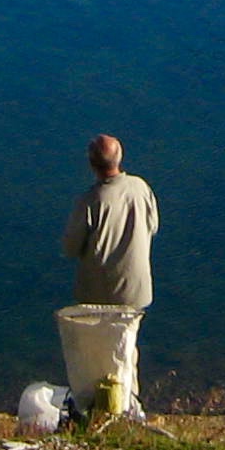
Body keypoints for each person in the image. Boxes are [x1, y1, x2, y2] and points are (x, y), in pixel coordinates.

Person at [60, 134, 158, 407]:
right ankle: (128, 400)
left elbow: (70, 248)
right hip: (135, 289)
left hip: (97, 293)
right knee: (126, 347)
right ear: (120, 158)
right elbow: (153, 226)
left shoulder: (90, 200)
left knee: (97, 353)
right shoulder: (141, 188)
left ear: (92, 164)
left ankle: (104, 404)